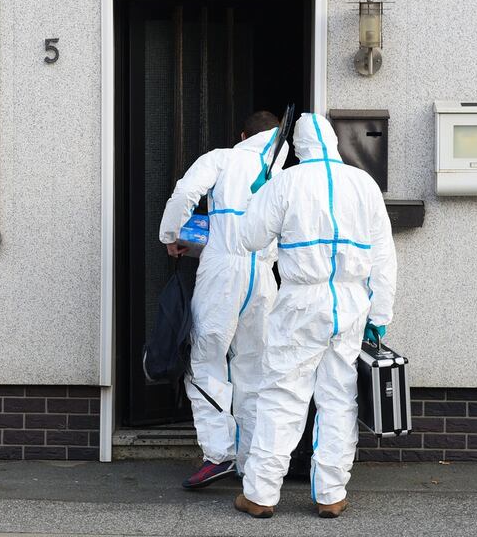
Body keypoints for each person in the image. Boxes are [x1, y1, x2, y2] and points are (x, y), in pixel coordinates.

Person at [234, 113, 396, 519]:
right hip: (351, 303)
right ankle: (331, 495)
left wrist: (259, 194)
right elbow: (384, 256)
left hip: (301, 303)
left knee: (282, 395)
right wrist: (381, 311)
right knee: (339, 399)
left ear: (300, 147)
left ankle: (261, 494)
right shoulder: (364, 184)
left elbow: (249, 238)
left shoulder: (285, 182)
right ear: (333, 142)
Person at [159, 111, 289, 489]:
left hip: (223, 274)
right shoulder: (281, 173)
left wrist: (170, 234)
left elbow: (185, 194)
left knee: (205, 360)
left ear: (243, 133)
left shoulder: (222, 158)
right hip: (264, 276)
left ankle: (219, 455)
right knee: (255, 368)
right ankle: (251, 461)